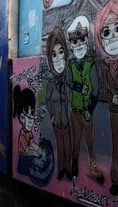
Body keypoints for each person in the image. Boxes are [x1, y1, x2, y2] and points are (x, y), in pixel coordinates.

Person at [94, 0, 118, 199]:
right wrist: (112, 96)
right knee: (116, 149)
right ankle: (117, 181)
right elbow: (106, 88)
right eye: (106, 32)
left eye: (117, 29)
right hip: (113, 111)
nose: (112, 37)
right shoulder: (104, 66)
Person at [65, 15, 105, 184]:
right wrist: (78, 87)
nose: (79, 44)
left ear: (86, 40)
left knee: (90, 142)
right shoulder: (71, 65)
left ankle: (93, 166)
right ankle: (74, 165)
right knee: (76, 141)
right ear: (71, 44)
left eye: (81, 40)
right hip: (74, 112)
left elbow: (96, 90)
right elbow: (67, 81)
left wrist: (90, 109)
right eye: (75, 41)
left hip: (87, 111)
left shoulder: (90, 64)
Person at [45, 27, 72, 181]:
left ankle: (67, 169)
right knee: (60, 145)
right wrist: (52, 115)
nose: (58, 58)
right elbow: (48, 101)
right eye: (54, 54)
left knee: (67, 144)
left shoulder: (68, 80)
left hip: (67, 121)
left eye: (61, 52)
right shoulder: (51, 84)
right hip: (57, 121)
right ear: (50, 58)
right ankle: (61, 168)